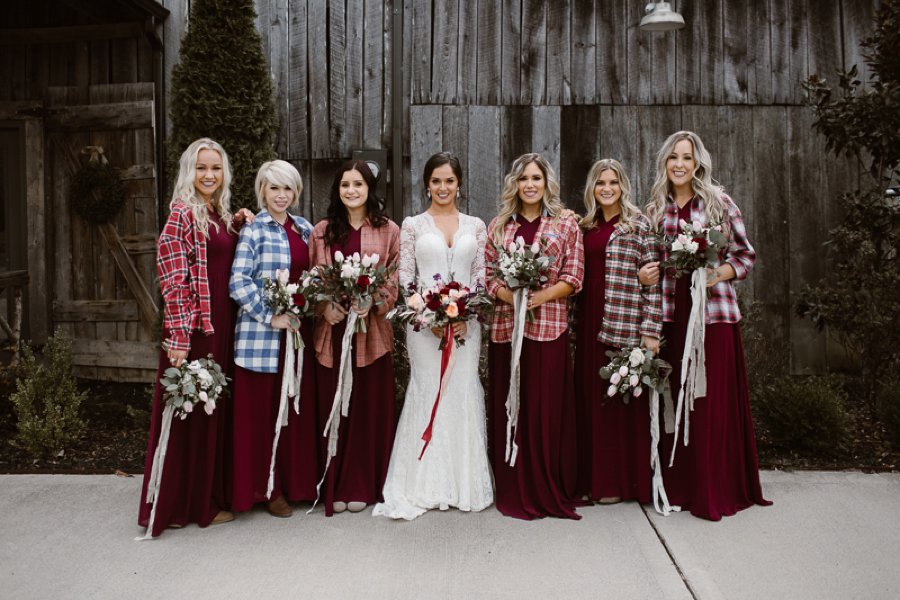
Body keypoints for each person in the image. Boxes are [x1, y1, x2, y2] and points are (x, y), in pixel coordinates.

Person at [639, 130, 771, 521]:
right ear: (665, 163)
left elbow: (745, 256)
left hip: (713, 318)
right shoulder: (654, 210)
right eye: (673, 157)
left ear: (698, 163)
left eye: (687, 157)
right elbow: (651, 265)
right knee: (675, 399)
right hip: (671, 317)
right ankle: (680, 485)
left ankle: (714, 488)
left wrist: (718, 274)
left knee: (709, 402)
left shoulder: (718, 204)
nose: (680, 164)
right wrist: (646, 276)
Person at [138, 138, 250, 536]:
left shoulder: (215, 212)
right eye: (201, 168)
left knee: (210, 412)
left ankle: (207, 494)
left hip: (221, 326)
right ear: (190, 171)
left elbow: (219, 256)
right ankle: (181, 504)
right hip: (196, 332)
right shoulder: (181, 216)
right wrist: (178, 337)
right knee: (189, 412)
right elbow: (174, 283)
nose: (209, 175)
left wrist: (237, 223)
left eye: (215, 168)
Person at [373, 152, 494, 520]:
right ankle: (421, 484)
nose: (443, 187)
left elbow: (480, 278)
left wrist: (465, 314)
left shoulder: (476, 225)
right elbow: (406, 278)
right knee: (428, 392)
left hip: (464, 328)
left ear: (459, 184)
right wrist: (430, 316)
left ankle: (463, 484)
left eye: (450, 181)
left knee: (462, 390)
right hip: (425, 329)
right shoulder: (412, 225)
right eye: (436, 180)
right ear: (427, 183)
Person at [484, 153, 584, 520]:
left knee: (543, 410)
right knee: (513, 405)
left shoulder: (565, 225)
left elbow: (574, 277)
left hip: (548, 331)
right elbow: (490, 277)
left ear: (546, 184)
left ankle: (545, 485)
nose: (529, 184)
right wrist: (514, 298)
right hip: (507, 331)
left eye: (536, 179)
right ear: (515, 183)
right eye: (523, 178)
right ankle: (512, 483)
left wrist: (539, 297)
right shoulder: (499, 226)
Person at [229, 160, 318, 518]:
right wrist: (271, 315)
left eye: (287, 189)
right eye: (273, 188)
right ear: (262, 191)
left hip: (296, 338)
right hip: (259, 341)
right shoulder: (254, 230)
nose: (281, 196)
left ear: (296, 192)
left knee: (293, 414)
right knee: (262, 418)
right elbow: (238, 282)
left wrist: (308, 301)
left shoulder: (305, 230)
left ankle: (294, 484)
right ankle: (265, 490)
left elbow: (314, 277)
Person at [310, 160, 400, 516]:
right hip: (333, 333)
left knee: (366, 410)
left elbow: (393, 278)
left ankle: (363, 482)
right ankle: (337, 482)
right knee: (336, 407)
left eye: (358, 185)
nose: (351, 191)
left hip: (372, 333)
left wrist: (374, 303)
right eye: (345, 185)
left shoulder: (388, 229)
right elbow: (314, 276)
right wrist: (324, 307)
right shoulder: (321, 230)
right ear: (337, 190)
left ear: (369, 189)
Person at [574, 159, 661, 505]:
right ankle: (591, 479)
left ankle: (620, 483)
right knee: (590, 401)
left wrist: (650, 332)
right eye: (600, 183)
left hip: (623, 323)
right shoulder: (585, 226)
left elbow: (653, 283)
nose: (607, 188)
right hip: (588, 323)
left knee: (620, 402)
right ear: (592, 189)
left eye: (613, 182)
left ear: (623, 185)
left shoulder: (639, 225)